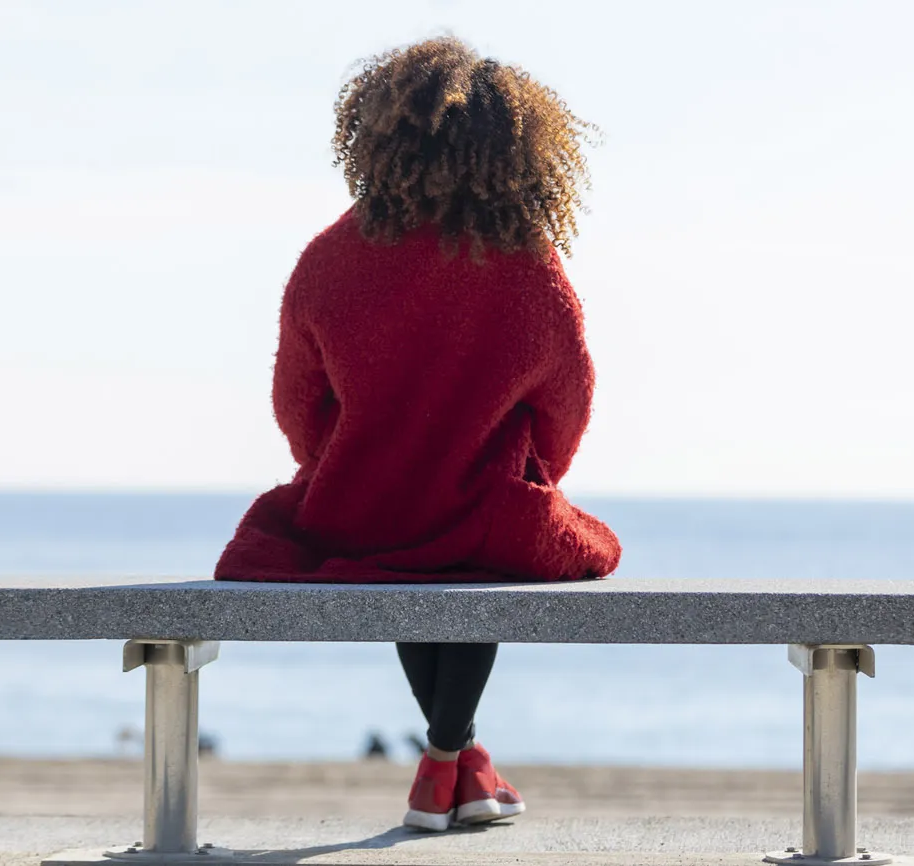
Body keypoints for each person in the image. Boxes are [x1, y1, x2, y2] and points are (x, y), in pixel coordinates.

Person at [214, 36, 621, 832]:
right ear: (514, 148)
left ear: (377, 138)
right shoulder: (526, 262)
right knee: (480, 555)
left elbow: (297, 406)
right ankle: (442, 763)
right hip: (481, 514)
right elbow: (569, 401)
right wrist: (536, 469)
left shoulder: (329, 260)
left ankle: (462, 769)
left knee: (401, 549)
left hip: (361, 509)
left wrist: (348, 464)